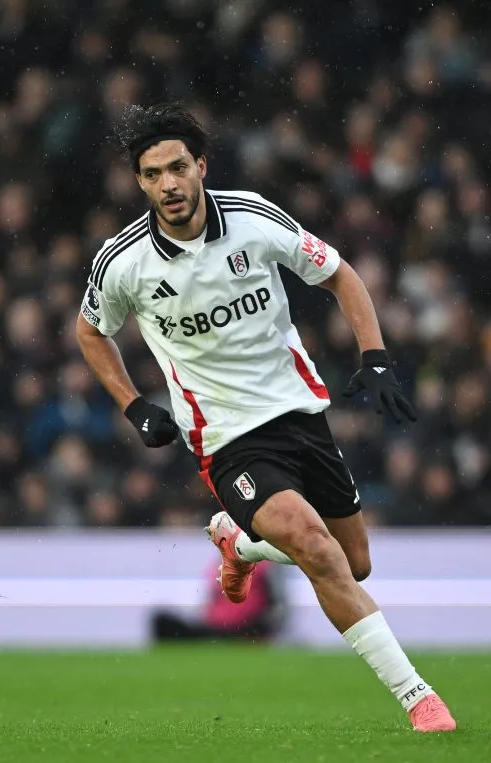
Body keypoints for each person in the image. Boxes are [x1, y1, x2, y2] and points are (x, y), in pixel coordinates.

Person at [75, 103, 456, 732]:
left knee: (352, 563)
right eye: (151, 174)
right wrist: (133, 403)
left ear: (201, 166)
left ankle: (239, 539)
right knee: (315, 548)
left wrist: (377, 358)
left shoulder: (253, 219)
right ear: (139, 183)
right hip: (225, 436)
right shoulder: (123, 262)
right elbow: (91, 333)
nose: (167, 184)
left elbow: (342, 276)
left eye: (177, 167)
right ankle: (420, 699)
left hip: (299, 410)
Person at [151, 561, 285, 644]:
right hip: (215, 627)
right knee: (161, 620)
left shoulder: (266, 565)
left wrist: (265, 632)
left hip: (242, 630)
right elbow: (211, 602)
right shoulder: (221, 564)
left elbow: (278, 606)